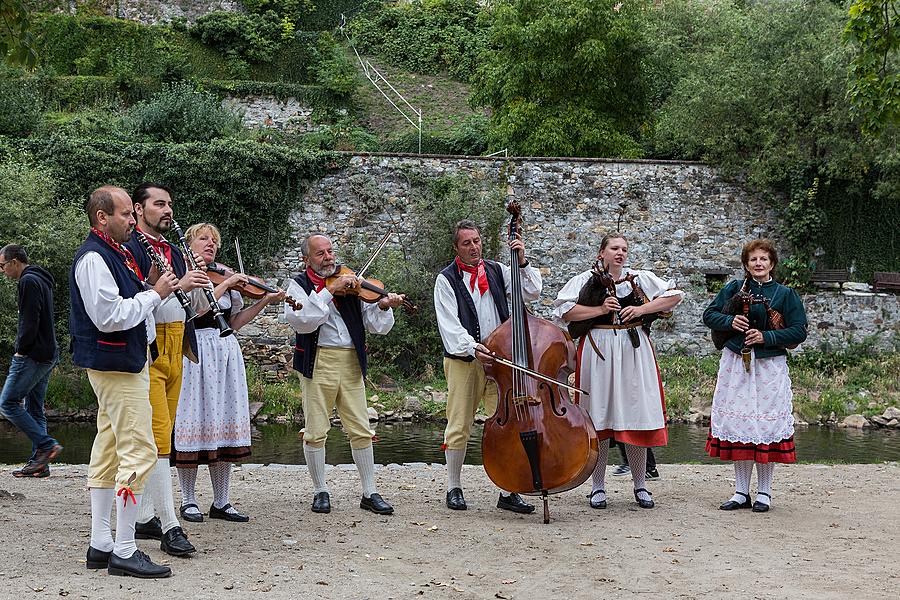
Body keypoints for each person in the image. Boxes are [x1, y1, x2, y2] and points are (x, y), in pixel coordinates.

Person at [72, 186, 177, 578]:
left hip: (119, 361)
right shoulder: (94, 258)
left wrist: (147, 285)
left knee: (109, 449)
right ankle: (126, 548)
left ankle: (101, 544)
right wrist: (156, 294)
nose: (133, 221)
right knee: (140, 451)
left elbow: (123, 305)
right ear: (102, 218)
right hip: (116, 364)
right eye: (125, 215)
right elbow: (109, 316)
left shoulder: (114, 252)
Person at [554, 232, 683, 510]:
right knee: (597, 416)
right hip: (598, 348)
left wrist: (641, 309)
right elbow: (565, 312)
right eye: (614, 248)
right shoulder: (585, 280)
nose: (620, 253)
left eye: (624, 249)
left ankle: (640, 485)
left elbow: (675, 296)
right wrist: (598, 308)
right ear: (602, 252)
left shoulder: (638, 278)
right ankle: (597, 487)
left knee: (636, 415)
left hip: (633, 351)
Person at [284, 234, 404, 515]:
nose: (328, 257)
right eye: (320, 254)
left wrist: (383, 305)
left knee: (361, 427)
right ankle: (320, 491)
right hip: (318, 359)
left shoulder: (353, 282)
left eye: (330, 251)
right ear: (306, 260)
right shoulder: (298, 286)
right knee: (315, 430)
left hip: (351, 359)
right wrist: (329, 291)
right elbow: (303, 322)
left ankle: (370, 492)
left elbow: (376, 326)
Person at [172, 223, 284, 523]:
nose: (211, 244)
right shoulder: (185, 274)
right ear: (189, 244)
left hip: (224, 350)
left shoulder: (222, 274)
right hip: (194, 346)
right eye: (204, 239)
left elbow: (234, 322)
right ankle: (188, 500)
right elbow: (195, 311)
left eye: (214, 241)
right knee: (194, 419)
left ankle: (221, 501)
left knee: (223, 421)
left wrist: (263, 300)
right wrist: (226, 283)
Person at [433, 219, 542, 514]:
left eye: (477, 241)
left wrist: (522, 260)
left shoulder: (497, 269)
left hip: (500, 362)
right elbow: (449, 325)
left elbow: (531, 292)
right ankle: (453, 487)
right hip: (464, 361)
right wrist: (472, 347)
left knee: (508, 423)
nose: (474, 247)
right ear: (456, 247)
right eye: (467, 243)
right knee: (459, 425)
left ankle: (508, 491)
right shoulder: (446, 279)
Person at [124, 183, 209, 557]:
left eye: (170, 204)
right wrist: (176, 285)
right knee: (158, 438)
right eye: (159, 204)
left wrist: (199, 284)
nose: (167, 210)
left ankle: (144, 516)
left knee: (164, 435)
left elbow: (197, 310)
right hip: (149, 347)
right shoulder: (128, 250)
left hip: (178, 343)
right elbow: (135, 301)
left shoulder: (175, 250)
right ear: (139, 210)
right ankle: (170, 525)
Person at [703, 239, 807, 513]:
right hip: (736, 363)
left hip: (769, 367)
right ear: (746, 265)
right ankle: (740, 492)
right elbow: (709, 315)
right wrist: (730, 321)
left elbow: (799, 331)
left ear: (771, 263)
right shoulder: (735, 288)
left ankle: (764, 492)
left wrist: (766, 336)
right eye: (753, 260)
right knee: (741, 425)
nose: (758, 264)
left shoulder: (785, 294)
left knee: (765, 428)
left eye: (763, 259)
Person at [0, 244, 62, 477]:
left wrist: (20, 349)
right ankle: (40, 463)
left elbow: (30, 320)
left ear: (15, 262)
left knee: (7, 403)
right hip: (48, 352)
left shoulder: (28, 281)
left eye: (3, 265)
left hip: (33, 354)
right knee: (35, 408)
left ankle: (46, 444)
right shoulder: (41, 279)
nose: (2, 271)